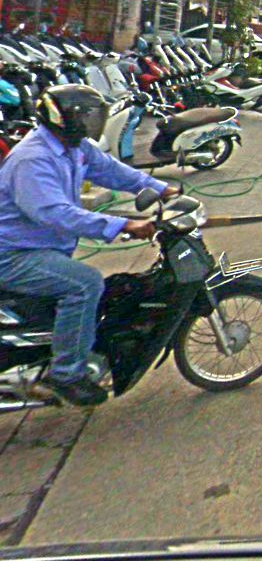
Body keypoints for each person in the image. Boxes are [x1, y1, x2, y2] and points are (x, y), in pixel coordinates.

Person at [0, 86, 175, 407]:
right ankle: (65, 375)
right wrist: (123, 224)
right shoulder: (33, 158)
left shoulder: (73, 146)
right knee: (84, 284)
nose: (92, 124)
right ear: (63, 118)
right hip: (12, 255)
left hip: (40, 248)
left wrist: (160, 189)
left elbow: (110, 170)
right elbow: (53, 212)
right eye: (86, 117)